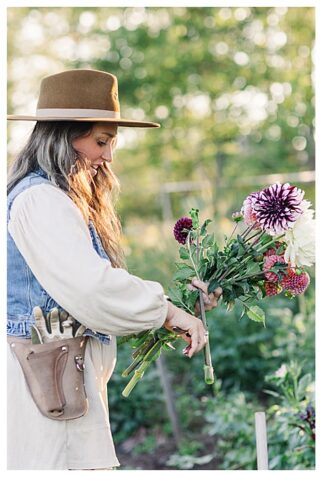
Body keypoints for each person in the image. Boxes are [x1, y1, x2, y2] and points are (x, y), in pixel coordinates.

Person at [6, 69, 221, 470]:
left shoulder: (54, 199)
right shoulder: (40, 200)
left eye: (111, 144)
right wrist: (167, 311)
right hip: (46, 393)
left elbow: (91, 287)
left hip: (59, 386)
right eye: (101, 141)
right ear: (62, 137)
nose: (108, 157)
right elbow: (92, 289)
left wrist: (175, 305)